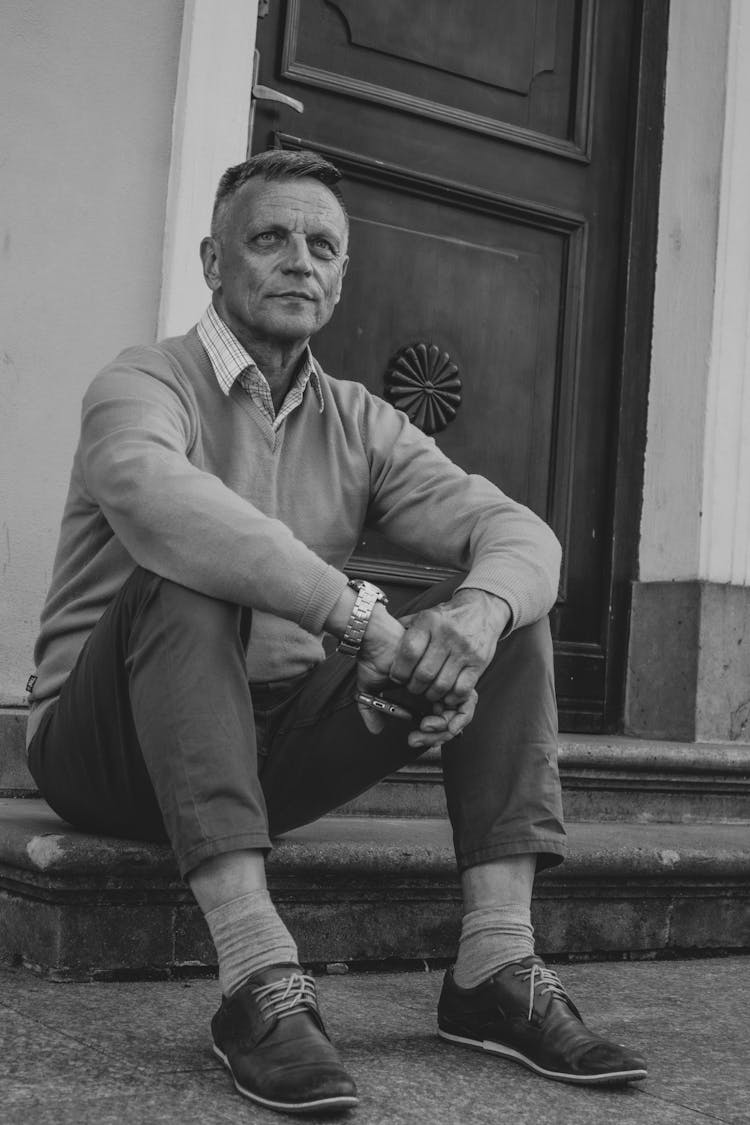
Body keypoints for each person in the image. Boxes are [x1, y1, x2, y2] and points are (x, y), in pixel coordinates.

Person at [26, 149, 646, 1115]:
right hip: (106, 750)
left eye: (322, 246)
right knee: (184, 579)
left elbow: (519, 532)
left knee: (502, 616)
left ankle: (495, 964)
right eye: (269, 238)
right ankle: (258, 974)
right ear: (212, 259)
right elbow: (155, 500)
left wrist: (471, 619)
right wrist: (363, 618)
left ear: (343, 275)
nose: (298, 262)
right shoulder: (143, 382)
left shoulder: (362, 422)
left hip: (272, 751)